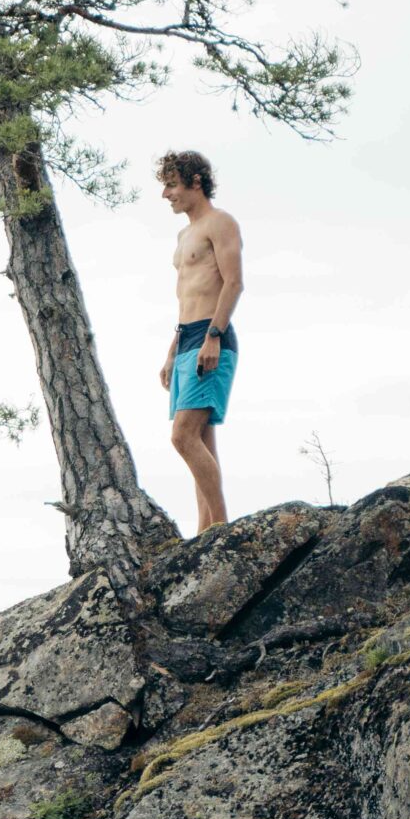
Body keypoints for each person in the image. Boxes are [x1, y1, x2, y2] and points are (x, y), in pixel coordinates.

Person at [156, 149, 245, 534]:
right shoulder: (184, 235)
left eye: (171, 185)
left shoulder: (220, 222)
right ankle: (205, 530)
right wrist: (172, 352)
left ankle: (222, 530)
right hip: (187, 338)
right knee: (201, 443)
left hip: (212, 335)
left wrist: (213, 337)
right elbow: (185, 296)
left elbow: (233, 283)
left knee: (183, 436)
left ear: (195, 182)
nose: (165, 194)